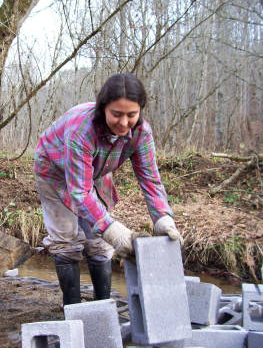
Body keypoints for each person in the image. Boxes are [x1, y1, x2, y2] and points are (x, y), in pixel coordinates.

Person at [34, 73, 183, 306]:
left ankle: (102, 306)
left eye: (131, 115)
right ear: (103, 108)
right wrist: (115, 231)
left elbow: (150, 179)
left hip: (96, 171)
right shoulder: (81, 129)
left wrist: (162, 218)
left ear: (140, 111)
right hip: (54, 171)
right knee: (66, 239)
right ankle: (72, 310)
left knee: (99, 242)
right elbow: (79, 192)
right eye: (116, 114)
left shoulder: (141, 133)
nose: (124, 123)